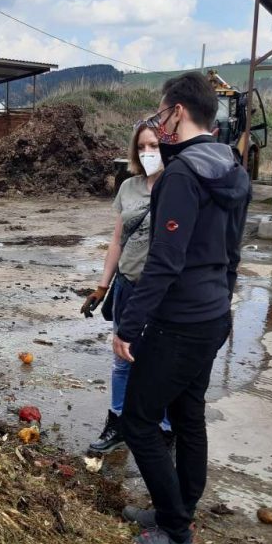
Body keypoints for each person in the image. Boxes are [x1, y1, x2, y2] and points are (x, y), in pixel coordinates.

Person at [113, 72, 251, 544]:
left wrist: (128, 326)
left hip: (181, 322)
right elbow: (233, 253)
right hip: (213, 314)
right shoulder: (233, 167)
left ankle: (175, 535)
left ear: (176, 112)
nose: (158, 120)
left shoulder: (181, 173)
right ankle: (180, 508)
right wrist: (224, 302)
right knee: (189, 414)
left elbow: (165, 261)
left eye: (161, 110)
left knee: (139, 421)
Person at [80, 122, 172, 453]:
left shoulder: (178, 187)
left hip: (162, 293)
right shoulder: (129, 188)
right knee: (122, 358)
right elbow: (118, 241)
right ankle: (117, 423)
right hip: (127, 287)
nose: (149, 153)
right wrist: (102, 286)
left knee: (158, 363)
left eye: (155, 146)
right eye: (143, 146)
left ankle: (163, 428)